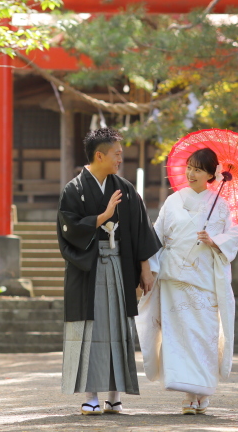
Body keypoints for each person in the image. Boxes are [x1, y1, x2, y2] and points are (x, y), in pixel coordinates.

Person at [57, 127, 162, 415]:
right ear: (99, 155)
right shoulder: (74, 190)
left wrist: (145, 270)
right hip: (87, 269)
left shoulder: (126, 190)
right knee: (91, 329)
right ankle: (91, 395)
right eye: (116, 154)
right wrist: (101, 218)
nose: (120, 159)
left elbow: (141, 231)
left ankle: (114, 396)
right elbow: (67, 229)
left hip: (118, 266)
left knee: (118, 327)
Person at [135, 147, 238, 414]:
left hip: (203, 280)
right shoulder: (173, 201)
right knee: (178, 336)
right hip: (173, 279)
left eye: (198, 169)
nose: (191, 173)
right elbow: (156, 235)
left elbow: (233, 236)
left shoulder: (221, 206)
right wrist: (146, 268)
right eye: (189, 167)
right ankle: (187, 393)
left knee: (203, 335)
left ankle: (202, 391)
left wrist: (214, 240)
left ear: (210, 174)